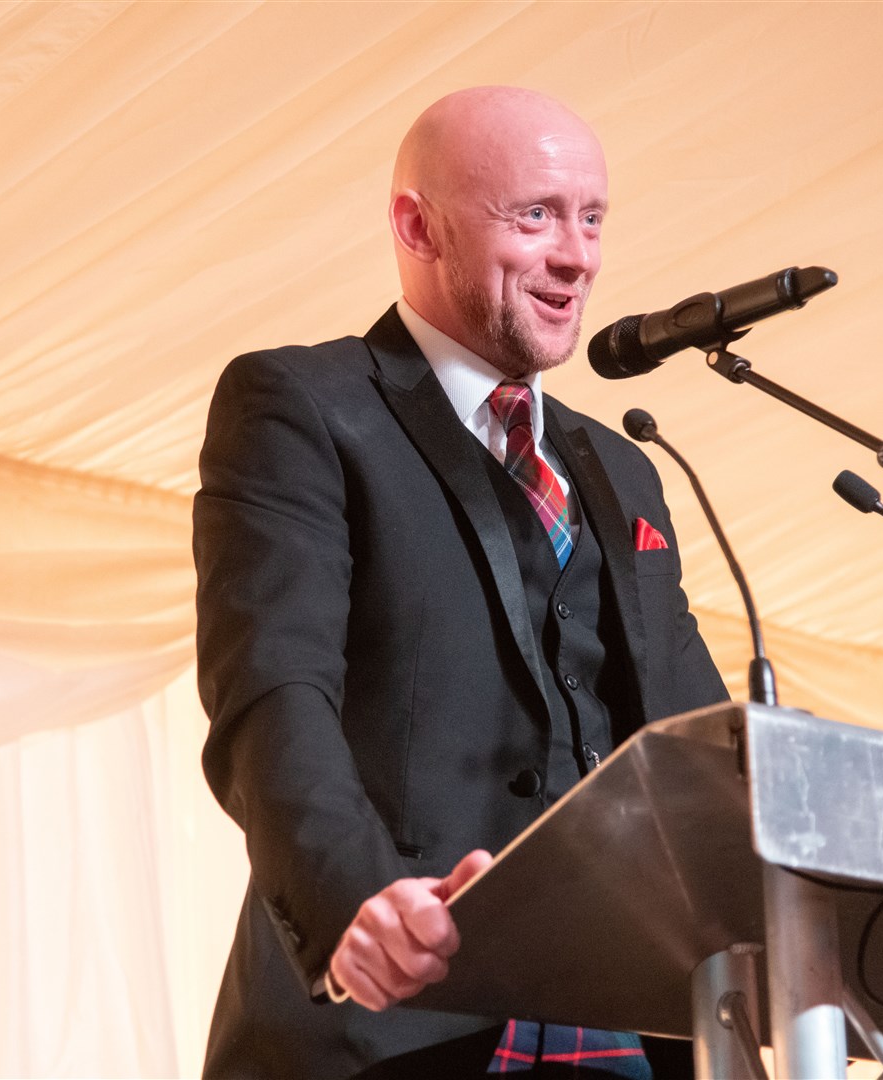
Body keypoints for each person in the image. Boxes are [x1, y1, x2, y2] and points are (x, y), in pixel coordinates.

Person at [193, 86, 728, 1078]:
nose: (577, 255)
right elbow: (271, 693)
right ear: (416, 224)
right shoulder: (303, 406)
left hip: (635, 1036)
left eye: (592, 217)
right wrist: (352, 896)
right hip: (396, 1024)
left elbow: (706, 753)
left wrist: (877, 957)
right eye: (535, 216)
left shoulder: (624, 468)